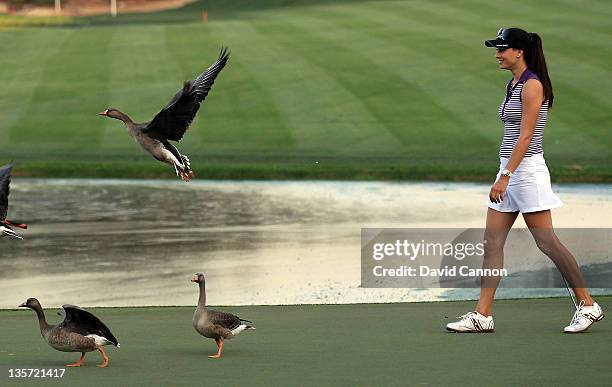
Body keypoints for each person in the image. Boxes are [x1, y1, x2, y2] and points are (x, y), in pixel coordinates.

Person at [446, 28, 604, 333]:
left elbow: (527, 135)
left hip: (526, 172)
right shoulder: (512, 84)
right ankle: (483, 315)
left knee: (547, 242)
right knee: (492, 241)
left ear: (519, 52)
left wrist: (505, 176)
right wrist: (504, 172)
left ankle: (588, 305)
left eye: (502, 49)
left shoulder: (533, 85)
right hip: (509, 168)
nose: (497, 54)